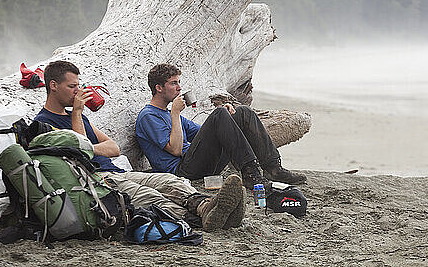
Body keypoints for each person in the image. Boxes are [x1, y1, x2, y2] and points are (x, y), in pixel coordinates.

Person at [33, 60, 244, 232]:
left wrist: (89, 143)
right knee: (146, 195)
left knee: (168, 181)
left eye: (78, 86)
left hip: (115, 171)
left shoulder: (78, 119)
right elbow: (79, 153)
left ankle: (207, 206)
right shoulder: (44, 124)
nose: (77, 92)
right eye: (72, 87)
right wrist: (79, 115)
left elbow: (114, 148)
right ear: (53, 85)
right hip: (94, 179)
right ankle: (198, 219)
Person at [135, 63, 306, 190]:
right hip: (181, 170)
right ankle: (251, 173)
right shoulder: (149, 116)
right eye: (173, 83)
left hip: (200, 163)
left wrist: (226, 117)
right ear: (159, 88)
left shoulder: (167, 112)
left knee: (243, 112)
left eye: (179, 82)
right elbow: (175, 150)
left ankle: (273, 168)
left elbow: (203, 134)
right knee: (219, 115)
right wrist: (175, 114)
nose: (179, 88)